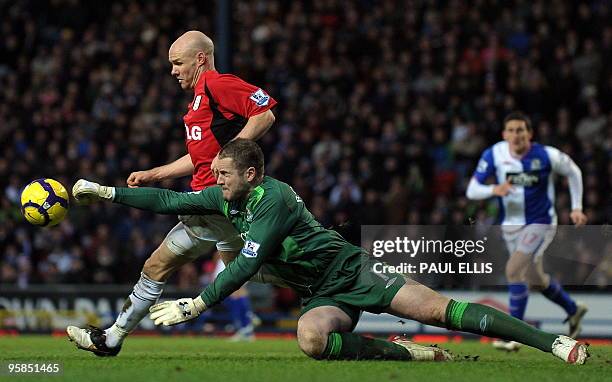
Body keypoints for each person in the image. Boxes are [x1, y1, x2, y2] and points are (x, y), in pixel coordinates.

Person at [71, 139, 589, 364]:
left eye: (224, 175)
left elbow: (249, 263)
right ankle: (402, 352)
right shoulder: (223, 196)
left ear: (251, 175)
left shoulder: (271, 199)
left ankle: (553, 345)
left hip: (351, 270)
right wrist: (107, 193)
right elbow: (168, 198)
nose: (215, 181)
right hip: (319, 291)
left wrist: (195, 304)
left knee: (437, 311)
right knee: (311, 340)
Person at [67, 31, 277, 355]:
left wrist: (231, 156)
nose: (173, 70)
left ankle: (112, 338)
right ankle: (331, 283)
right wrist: (156, 173)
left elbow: (264, 114)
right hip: (216, 208)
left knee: (160, 266)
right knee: (252, 272)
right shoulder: (198, 100)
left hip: (215, 203)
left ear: (200, 59)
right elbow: (200, 158)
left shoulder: (217, 84)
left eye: (178, 63)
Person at [466, 111, 588, 352]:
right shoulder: (494, 154)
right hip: (510, 226)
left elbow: (574, 171)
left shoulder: (546, 155)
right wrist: (494, 190)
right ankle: (573, 310)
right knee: (536, 279)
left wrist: (576, 207)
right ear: (504, 134)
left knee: (513, 270)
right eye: (511, 130)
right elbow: (472, 189)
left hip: (540, 222)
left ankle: (515, 335)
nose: (516, 135)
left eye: (521, 130)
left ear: (529, 134)